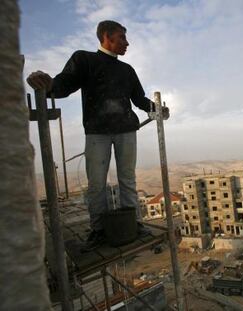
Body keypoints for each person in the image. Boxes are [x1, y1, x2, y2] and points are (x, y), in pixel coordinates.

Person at [27, 20, 167, 251]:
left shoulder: (127, 70)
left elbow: (139, 100)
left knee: (127, 180)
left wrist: (157, 110)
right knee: (96, 184)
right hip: (97, 132)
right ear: (106, 37)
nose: (127, 43)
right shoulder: (84, 60)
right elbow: (64, 84)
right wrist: (47, 84)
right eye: (122, 37)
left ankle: (135, 223)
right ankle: (99, 229)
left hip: (125, 130)